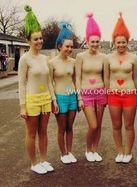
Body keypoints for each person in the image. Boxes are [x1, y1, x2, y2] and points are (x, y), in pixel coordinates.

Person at [18, 5, 58, 174]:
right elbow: (21, 83)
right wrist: (23, 105)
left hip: (46, 99)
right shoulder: (25, 59)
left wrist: (53, 100)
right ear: (29, 41)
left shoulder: (45, 58)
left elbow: (49, 81)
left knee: (44, 132)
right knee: (31, 133)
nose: (39, 41)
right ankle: (34, 163)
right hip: (32, 100)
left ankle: (43, 160)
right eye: (36, 39)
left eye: (40, 38)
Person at [104, 13, 137, 163]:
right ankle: (119, 151)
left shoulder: (134, 58)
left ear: (127, 42)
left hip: (129, 94)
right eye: (118, 43)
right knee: (116, 125)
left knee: (129, 125)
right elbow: (106, 77)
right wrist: (107, 93)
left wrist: (135, 93)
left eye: (123, 42)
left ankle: (128, 152)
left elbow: (136, 77)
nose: (121, 45)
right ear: (114, 42)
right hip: (113, 95)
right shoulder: (108, 58)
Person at [75, 13, 107, 162]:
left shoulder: (103, 57)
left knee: (99, 124)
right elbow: (78, 77)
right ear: (87, 41)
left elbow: (106, 77)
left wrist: (107, 93)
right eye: (92, 41)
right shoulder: (80, 57)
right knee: (93, 125)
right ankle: (88, 149)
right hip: (86, 94)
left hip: (101, 93)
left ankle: (95, 150)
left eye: (97, 41)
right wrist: (79, 97)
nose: (95, 44)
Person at [49, 22, 77, 164]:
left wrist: (78, 98)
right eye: (67, 46)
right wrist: (53, 100)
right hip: (60, 98)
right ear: (60, 46)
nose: (70, 49)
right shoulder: (52, 63)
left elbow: (76, 80)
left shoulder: (74, 62)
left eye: (71, 46)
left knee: (70, 127)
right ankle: (63, 153)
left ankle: (70, 152)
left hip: (72, 97)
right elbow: (49, 83)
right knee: (61, 128)